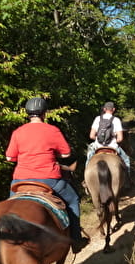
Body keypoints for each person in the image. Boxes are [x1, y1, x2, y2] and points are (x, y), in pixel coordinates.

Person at [5, 97, 89, 254]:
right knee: (73, 200)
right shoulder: (52, 130)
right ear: (44, 113)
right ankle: (76, 240)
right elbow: (66, 153)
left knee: (8, 207)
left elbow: (9, 158)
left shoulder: (18, 132)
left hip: (20, 181)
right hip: (49, 179)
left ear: (27, 113)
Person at [85, 101, 130, 174]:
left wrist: (98, 140)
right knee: (126, 160)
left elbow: (91, 136)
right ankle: (128, 180)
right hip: (113, 147)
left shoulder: (97, 118)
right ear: (113, 109)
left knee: (89, 159)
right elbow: (120, 139)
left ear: (104, 109)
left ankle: (85, 179)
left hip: (98, 147)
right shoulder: (116, 120)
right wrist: (115, 140)